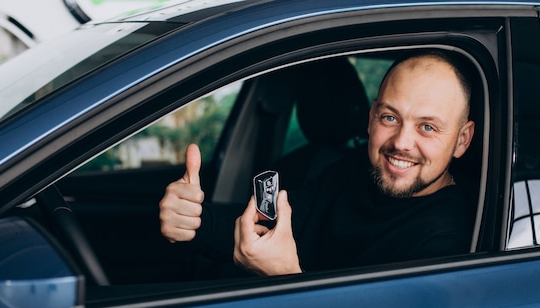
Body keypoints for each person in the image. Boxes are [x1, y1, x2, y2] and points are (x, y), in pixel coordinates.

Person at [159, 50, 476, 276]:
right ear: (371, 119)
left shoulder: (447, 242)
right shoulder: (349, 171)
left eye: (428, 127)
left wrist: (287, 279)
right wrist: (193, 222)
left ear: (462, 140)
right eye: (390, 117)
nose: (402, 143)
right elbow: (268, 224)